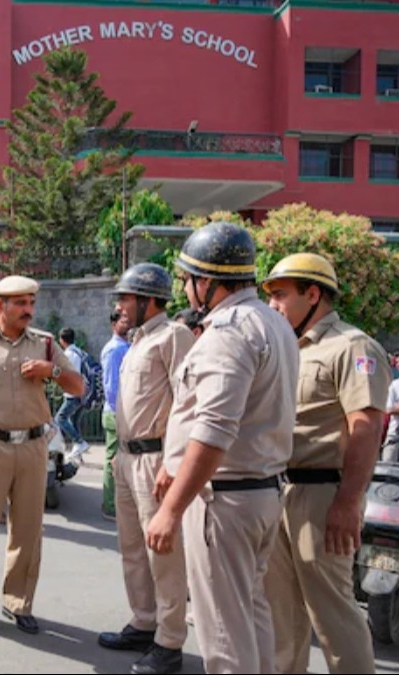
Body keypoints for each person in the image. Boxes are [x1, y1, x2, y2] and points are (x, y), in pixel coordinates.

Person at [145, 222, 300, 674]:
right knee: (251, 615)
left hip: (225, 501)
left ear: (207, 282)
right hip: (260, 493)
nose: (186, 290)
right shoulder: (273, 322)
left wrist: (171, 509)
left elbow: (214, 430)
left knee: (224, 638)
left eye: (189, 280)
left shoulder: (228, 332)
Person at [261, 253, 390, 674]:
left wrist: (348, 502)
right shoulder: (286, 347)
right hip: (279, 490)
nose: (273, 305)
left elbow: (366, 427)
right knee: (281, 613)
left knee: (333, 615)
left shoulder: (352, 346)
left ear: (312, 294)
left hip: (323, 495)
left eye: (280, 295)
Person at [0, 275, 83, 637]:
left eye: (30, 303)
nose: (28, 310)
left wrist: (50, 370)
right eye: (20, 304)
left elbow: (78, 386)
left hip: (33, 449)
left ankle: (18, 602)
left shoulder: (44, 344)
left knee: (28, 531)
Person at [100, 263, 196, 675]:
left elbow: (188, 401)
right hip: (126, 457)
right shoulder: (138, 339)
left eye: (126, 298)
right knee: (134, 550)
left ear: (148, 300)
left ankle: (170, 642)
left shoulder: (174, 335)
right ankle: (144, 621)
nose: (120, 306)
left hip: (156, 458)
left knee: (164, 556)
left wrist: (173, 461)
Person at [99, 311, 132, 520]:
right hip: (115, 413)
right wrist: (121, 414)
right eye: (123, 321)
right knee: (113, 460)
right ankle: (110, 505)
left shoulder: (125, 346)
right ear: (113, 324)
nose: (127, 325)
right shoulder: (114, 350)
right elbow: (111, 388)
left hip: (122, 412)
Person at [54, 327, 90, 459]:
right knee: (74, 422)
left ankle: (80, 442)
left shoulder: (69, 354)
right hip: (82, 393)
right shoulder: (79, 352)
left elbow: (69, 374)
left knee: (60, 418)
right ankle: (78, 453)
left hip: (72, 394)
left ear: (62, 340)